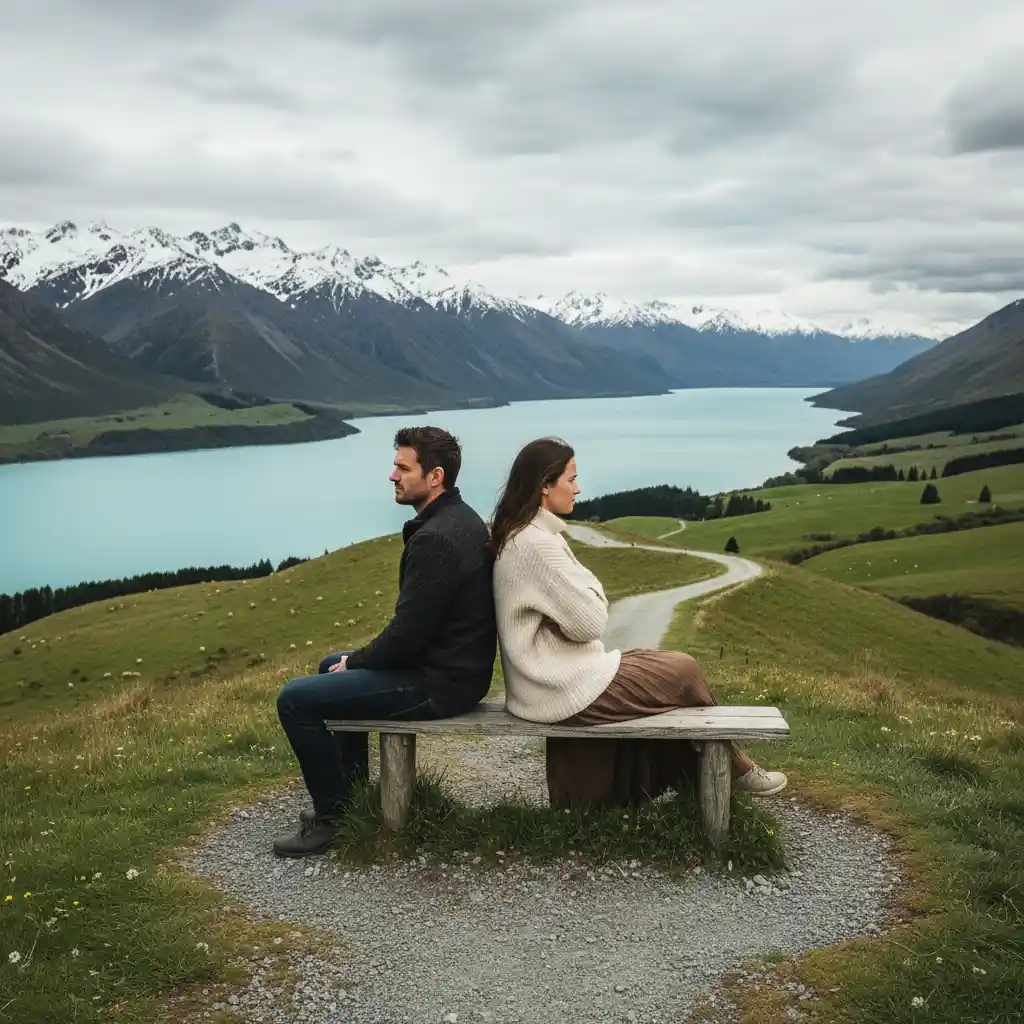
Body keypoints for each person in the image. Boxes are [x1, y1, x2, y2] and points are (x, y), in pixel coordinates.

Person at [491, 437, 787, 808]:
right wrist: (593, 586)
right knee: (682, 670)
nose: (579, 488)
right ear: (545, 486)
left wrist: (585, 589)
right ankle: (732, 771)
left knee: (666, 667)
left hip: (550, 681)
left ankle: (711, 774)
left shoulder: (526, 536)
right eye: (572, 479)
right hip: (558, 687)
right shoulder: (537, 545)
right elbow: (591, 623)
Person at [273, 426, 497, 857]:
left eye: (402, 467)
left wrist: (357, 662)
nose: (392, 476)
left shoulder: (436, 540)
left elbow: (407, 638)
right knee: (327, 665)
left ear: (434, 477)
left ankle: (332, 820)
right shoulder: (459, 518)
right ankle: (348, 798)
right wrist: (352, 661)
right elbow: (414, 632)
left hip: (438, 682)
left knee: (294, 699)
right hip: (455, 671)